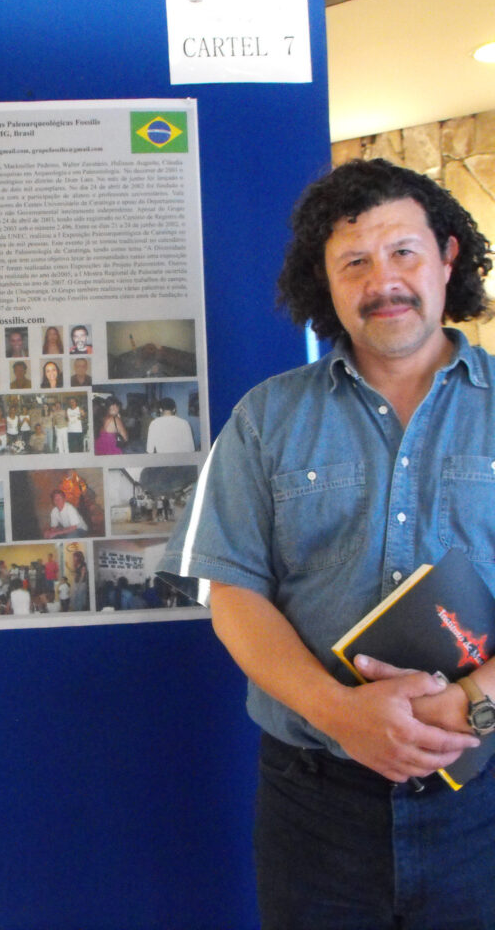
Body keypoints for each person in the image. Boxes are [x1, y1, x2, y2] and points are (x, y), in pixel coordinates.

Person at [159, 158, 495, 929]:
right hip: (314, 805)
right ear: (326, 282)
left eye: (403, 252)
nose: (384, 281)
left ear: (447, 257)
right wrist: (341, 714)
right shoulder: (265, 419)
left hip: (482, 792)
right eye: (355, 262)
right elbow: (231, 592)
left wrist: (471, 709)